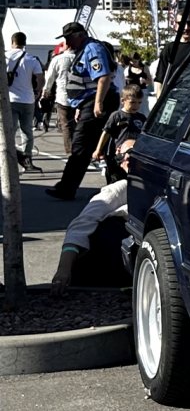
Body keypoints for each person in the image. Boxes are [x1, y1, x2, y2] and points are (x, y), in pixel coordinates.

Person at [50, 137, 136, 292]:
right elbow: (79, 227)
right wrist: (63, 270)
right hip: (107, 265)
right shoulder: (119, 190)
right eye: (129, 153)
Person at [47, 23, 119, 201]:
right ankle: (69, 187)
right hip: (89, 102)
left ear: (80, 35)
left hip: (98, 101)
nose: (67, 42)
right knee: (89, 146)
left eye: (69, 37)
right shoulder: (84, 49)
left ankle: (66, 188)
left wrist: (97, 103)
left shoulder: (92, 49)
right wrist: (81, 106)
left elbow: (103, 77)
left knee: (81, 145)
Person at [7, 32, 45, 171]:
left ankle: (8, 159)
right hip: (28, 99)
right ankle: (27, 160)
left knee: (9, 131)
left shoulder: (5, 57)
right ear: (24, 42)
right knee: (27, 131)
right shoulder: (31, 59)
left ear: (12, 42)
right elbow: (40, 79)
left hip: (9, 99)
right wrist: (37, 92)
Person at [93, 84, 147, 183]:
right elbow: (106, 133)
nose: (136, 106)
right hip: (116, 155)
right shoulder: (117, 115)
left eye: (139, 102)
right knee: (115, 180)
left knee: (131, 181)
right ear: (123, 101)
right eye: (132, 102)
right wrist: (98, 150)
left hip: (132, 155)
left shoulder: (141, 118)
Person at [41, 38, 77, 153]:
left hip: (63, 97)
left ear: (66, 46)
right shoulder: (80, 57)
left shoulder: (58, 59)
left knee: (66, 126)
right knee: (78, 125)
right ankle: (79, 149)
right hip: (80, 97)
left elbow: (49, 78)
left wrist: (45, 92)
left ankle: (71, 151)